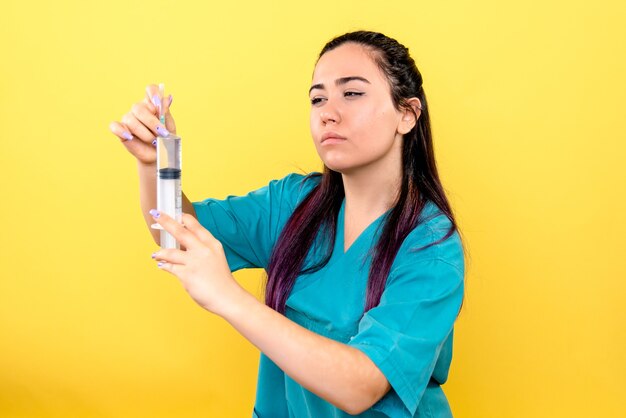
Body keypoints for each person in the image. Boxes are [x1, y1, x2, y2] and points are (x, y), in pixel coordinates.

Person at [109, 30, 465, 418]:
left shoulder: (431, 247)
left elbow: (362, 384)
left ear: (407, 114)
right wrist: (157, 163)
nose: (329, 111)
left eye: (352, 93)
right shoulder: (294, 204)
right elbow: (177, 236)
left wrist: (228, 297)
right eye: (318, 98)